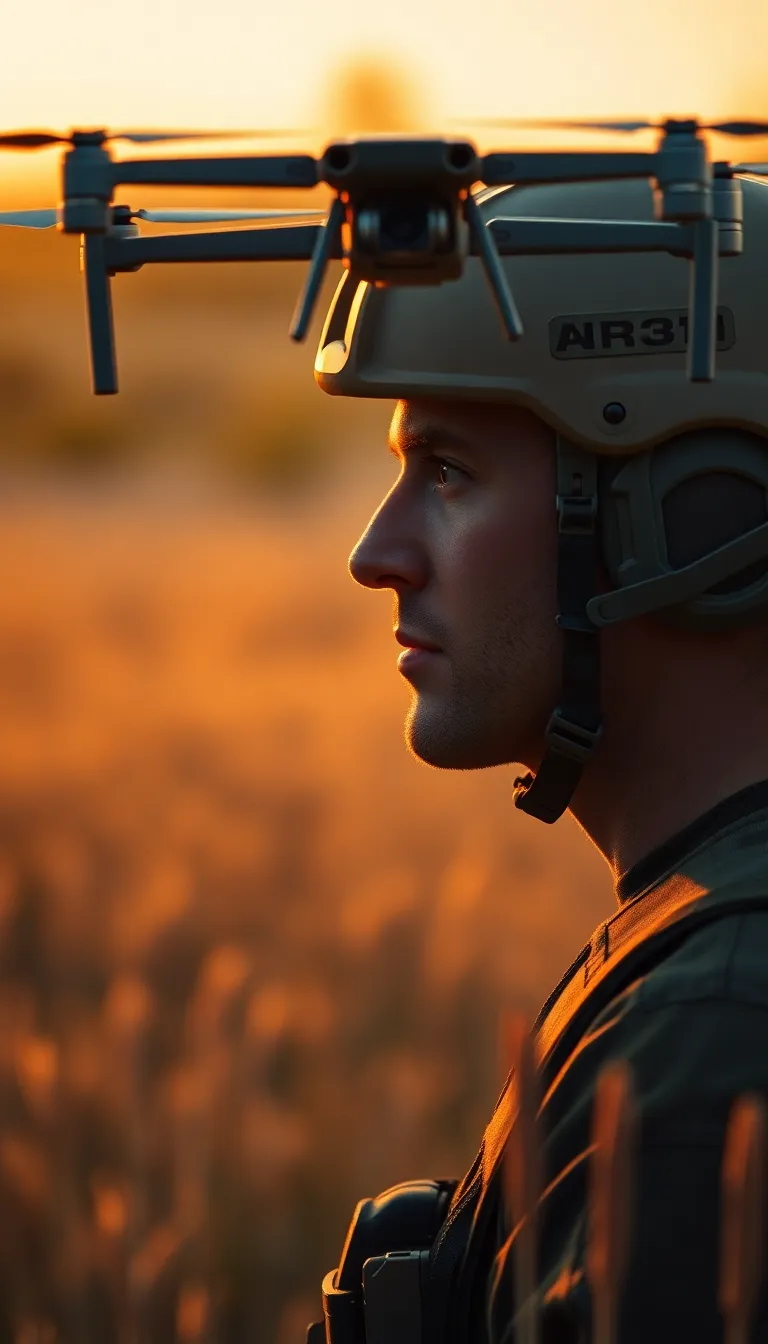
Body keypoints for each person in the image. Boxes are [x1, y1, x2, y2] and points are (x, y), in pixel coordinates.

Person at [307, 171, 768, 1342]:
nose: (376, 554)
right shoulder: (697, 954)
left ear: (695, 521)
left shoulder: (707, 1056)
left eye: (449, 471)